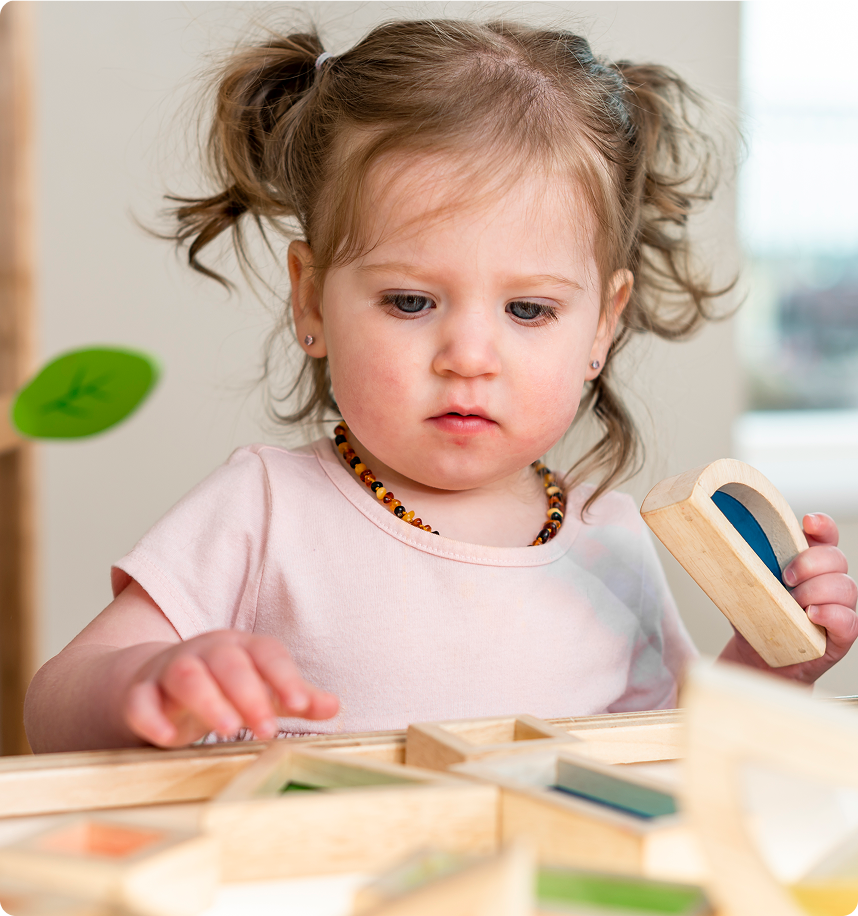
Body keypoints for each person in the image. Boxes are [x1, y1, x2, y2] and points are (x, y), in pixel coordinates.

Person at [24, 20, 857, 753]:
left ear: (601, 327)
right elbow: (53, 707)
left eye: (528, 309)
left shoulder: (611, 540)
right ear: (312, 300)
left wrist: (776, 659)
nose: (468, 356)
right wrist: (151, 681)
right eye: (411, 302)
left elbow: (679, 754)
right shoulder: (265, 508)